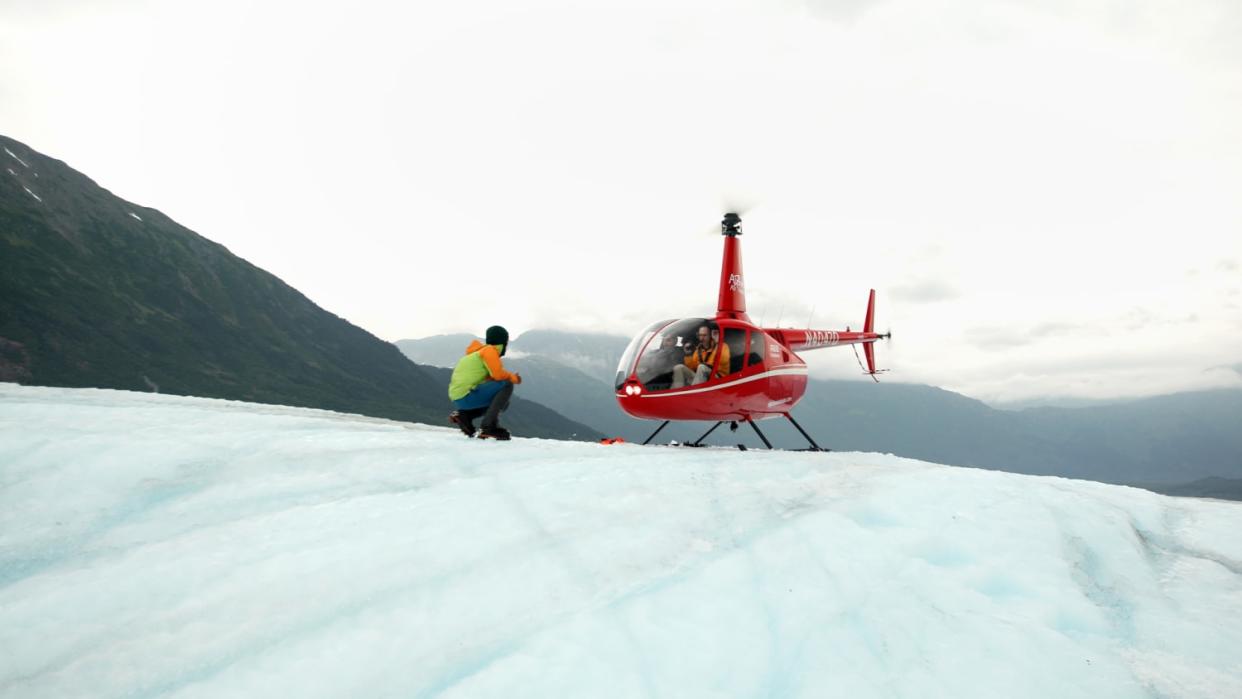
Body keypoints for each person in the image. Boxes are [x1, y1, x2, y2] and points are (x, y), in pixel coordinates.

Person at [447, 325, 522, 439]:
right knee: (507, 384)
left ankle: (465, 416)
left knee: (503, 402)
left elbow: (490, 379)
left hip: (459, 397)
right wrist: (513, 378)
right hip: (467, 395)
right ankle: (488, 428)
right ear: (503, 343)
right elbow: (497, 375)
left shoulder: (476, 353)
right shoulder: (489, 351)